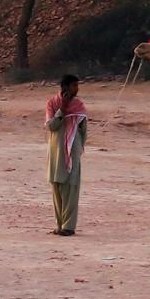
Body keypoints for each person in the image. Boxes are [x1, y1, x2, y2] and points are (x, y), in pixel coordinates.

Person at [45, 75, 89, 236]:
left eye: (77, 85)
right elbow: (52, 126)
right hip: (56, 150)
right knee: (57, 185)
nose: (76, 89)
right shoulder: (52, 103)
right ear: (64, 87)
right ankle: (59, 225)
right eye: (73, 86)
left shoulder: (78, 105)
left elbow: (83, 131)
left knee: (71, 186)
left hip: (73, 149)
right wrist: (62, 110)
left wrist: (77, 147)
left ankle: (69, 227)